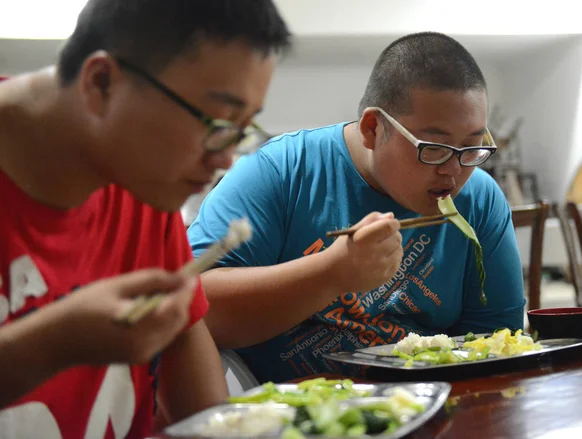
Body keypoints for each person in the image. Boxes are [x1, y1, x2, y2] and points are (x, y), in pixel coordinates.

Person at [0, 0, 290, 437]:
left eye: (241, 128)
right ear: (101, 83)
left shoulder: (142, 178)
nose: (225, 159)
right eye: (216, 122)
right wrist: (52, 343)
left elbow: (196, 378)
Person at [188, 32, 526, 384]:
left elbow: (493, 344)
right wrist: (331, 273)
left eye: (472, 148)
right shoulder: (280, 172)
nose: (453, 171)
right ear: (373, 128)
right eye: (434, 148)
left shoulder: (479, 200)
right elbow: (191, 307)